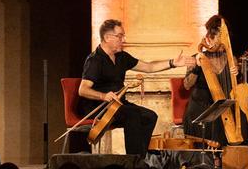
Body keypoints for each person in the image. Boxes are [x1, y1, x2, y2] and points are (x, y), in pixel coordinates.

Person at [78, 19, 195, 158]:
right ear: (107, 37)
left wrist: (173, 63)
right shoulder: (95, 60)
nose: (123, 40)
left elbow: (149, 67)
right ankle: (132, 161)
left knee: (149, 116)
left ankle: (140, 158)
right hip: (98, 106)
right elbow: (83, 90)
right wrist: (103, 96)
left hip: (118, 105)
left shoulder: (121, 57)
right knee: (132, 114)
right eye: (120, 36)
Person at [181, 14, 242, 148]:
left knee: (230, 113)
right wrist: (197, 67)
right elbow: (186, 85)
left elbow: (237, 89)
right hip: (199, 104)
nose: (221, 44)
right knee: (208, 114)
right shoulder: (196, 58)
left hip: (220, 105)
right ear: (209, 38)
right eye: (217, 39)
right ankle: (207, 154)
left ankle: (227, 154)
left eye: (224, 40)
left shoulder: (232, 59)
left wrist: (237, 75)